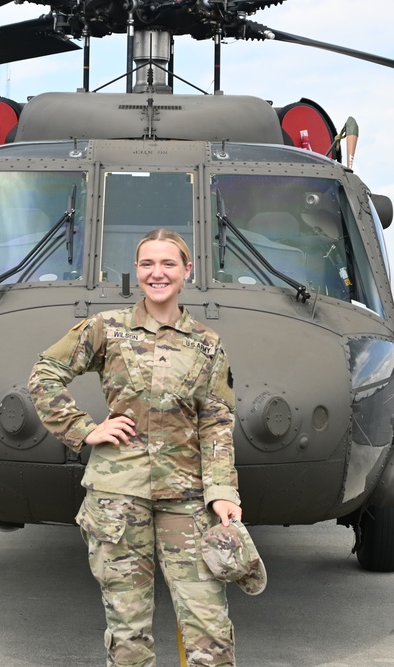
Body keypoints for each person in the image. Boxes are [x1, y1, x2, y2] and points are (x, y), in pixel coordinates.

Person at [28, 228, 243, 666]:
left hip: (187, 500)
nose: (157, 273)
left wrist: (222, 492)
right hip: (118, 498)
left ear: (188, 271)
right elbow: (45, 373)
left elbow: (217, 422)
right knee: (128, 627)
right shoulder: (106, 328)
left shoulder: (207, 344)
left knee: (209, 626)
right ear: (137, 271)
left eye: (168, 264)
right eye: (147, 264)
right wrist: (84, 429)